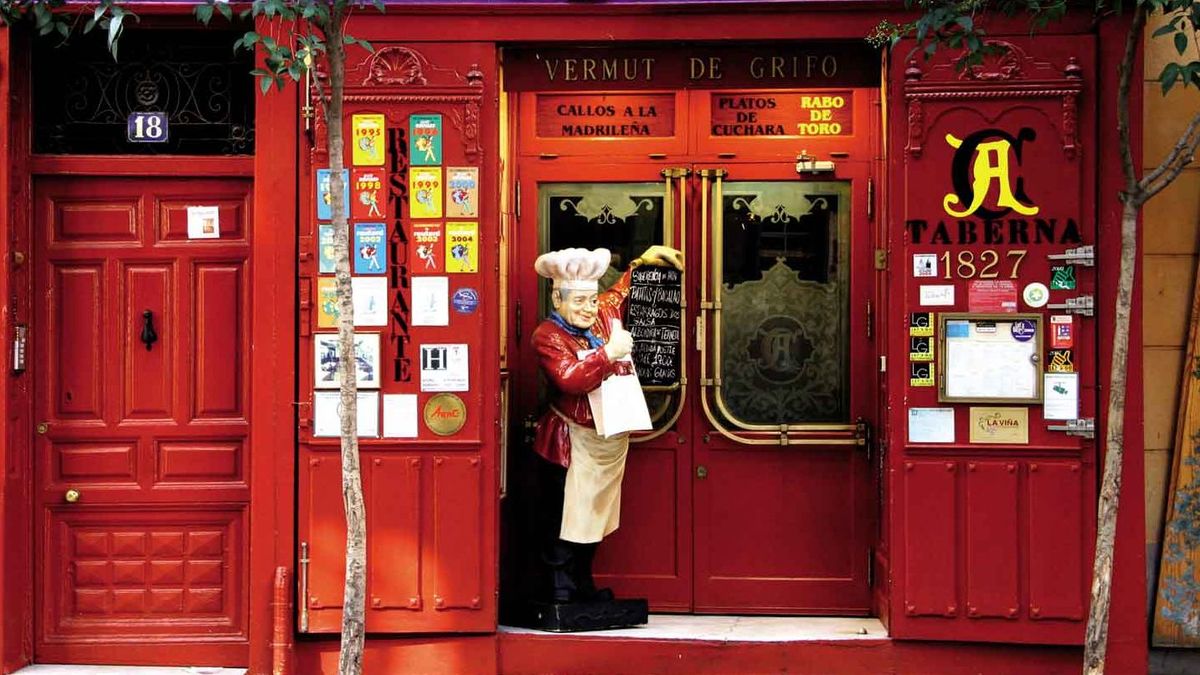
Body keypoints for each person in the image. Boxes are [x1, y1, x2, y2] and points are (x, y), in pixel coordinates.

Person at [531, 245, 683, 604]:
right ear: (558, 299)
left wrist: (642, 261)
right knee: (564, 519)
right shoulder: (548, 336)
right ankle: (560, 589)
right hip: (570, 443)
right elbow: (569, 379)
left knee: (595, 517)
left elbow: (619, 293)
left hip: (606, 440)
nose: (588, 308)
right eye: (579, 301)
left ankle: (582, 583)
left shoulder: (603, 316)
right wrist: (608, 354)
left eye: (591, 299)